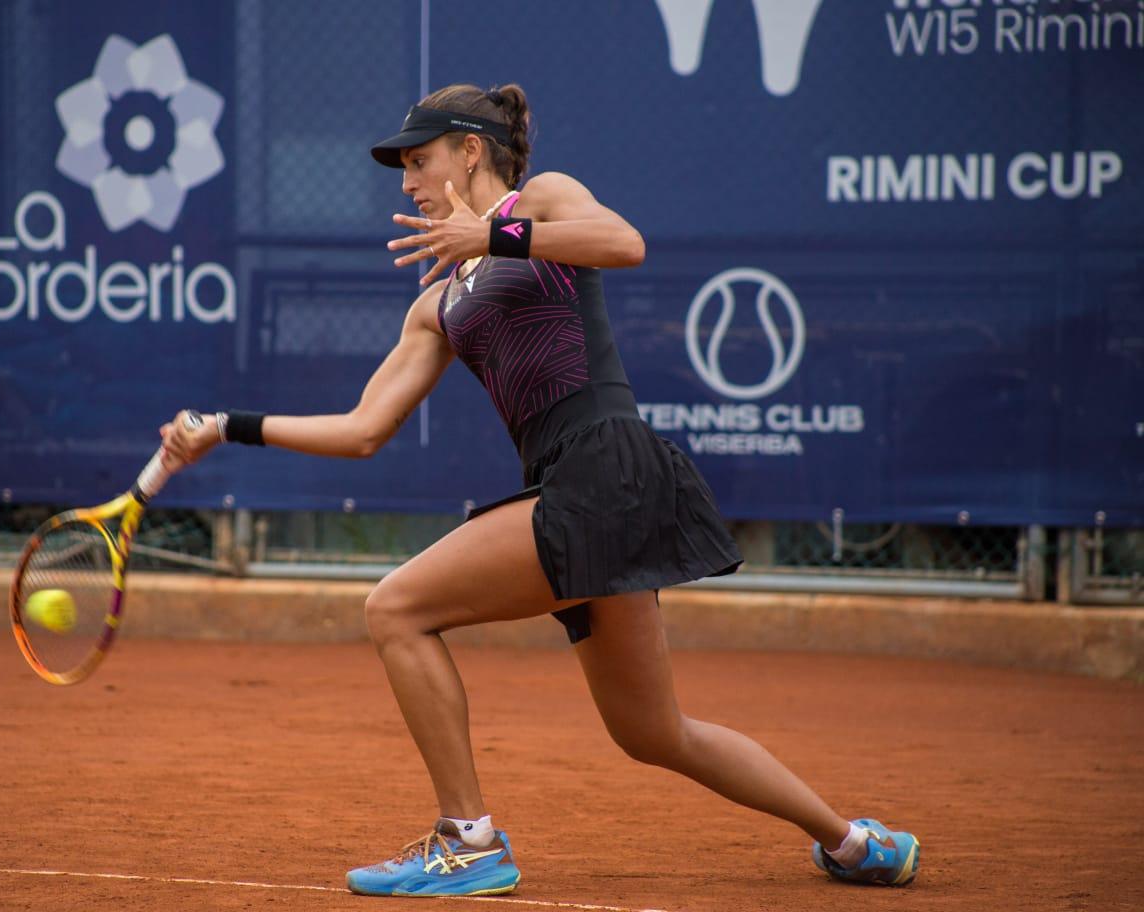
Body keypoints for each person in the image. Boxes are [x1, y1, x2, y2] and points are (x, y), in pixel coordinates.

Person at [158, 83, 920, 896]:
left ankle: (468, 840)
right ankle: (852, 842)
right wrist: (228, 426)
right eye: (404, 168)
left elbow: (625, 244)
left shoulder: (543, 200)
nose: (408, 182)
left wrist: (492, 231)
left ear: (471, 151)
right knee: (654, 732)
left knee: (396, 608)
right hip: (578, 488)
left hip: (606, 467)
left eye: (420, 160)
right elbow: (363, 429)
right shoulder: (436, 305)